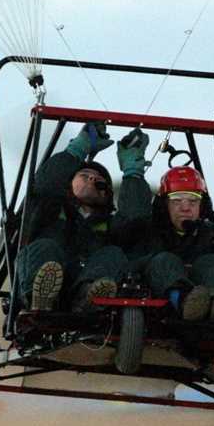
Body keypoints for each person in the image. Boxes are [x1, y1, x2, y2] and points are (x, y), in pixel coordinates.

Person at [14, 123, 151, 312]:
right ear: (68, 184)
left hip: (83, 286)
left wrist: (132, 172)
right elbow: (46, 183)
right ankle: (40, 298)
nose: (92, 179)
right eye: (85, 175)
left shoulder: (110, 226)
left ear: (107, 194)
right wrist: (77, 148)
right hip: (46, 283)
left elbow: (135, 218)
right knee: (45, 246)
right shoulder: (49, 210)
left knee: (113, 254)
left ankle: (89, 296)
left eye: (99, 180)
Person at [132, 166, 214, 323]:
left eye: (193, 200)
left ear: (202, 206)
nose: (185, 207)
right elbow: (130, 271)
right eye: (177, 200)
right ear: (164, 205)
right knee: (164, 261)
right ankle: (184, 301)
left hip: (210, 328)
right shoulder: (147, 233)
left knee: (212, 263)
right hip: (158, 320)